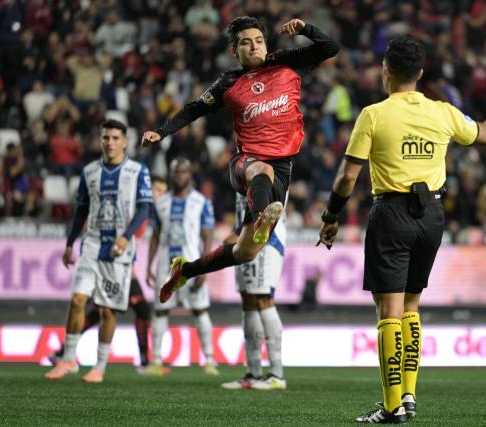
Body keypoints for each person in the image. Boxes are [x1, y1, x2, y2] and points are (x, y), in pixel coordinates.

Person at [317, 37, 486, 423]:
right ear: (421, 74)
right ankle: (408, 397)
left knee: (388, 312)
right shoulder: (442, 112)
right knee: (411, 307)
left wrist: (331, 216)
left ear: (385, 72)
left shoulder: (373, 115)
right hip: (432, 216)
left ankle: (391, 407)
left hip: (391, 213)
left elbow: (347, 177)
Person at [141, 16, 339, 303]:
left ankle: (186, 270)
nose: (255, 47)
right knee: (262, 170)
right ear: (235, 51)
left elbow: (330, 47)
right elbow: (195, 108)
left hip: (282, 168)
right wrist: (162, 132)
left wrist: (306, 29)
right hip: (246, 164)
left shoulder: (285, 63)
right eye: (246, 43)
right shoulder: (229, 82)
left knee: (246, 252)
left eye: (259, 41)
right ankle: (261, 219)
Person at [45, 119, 153, 383]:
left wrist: (127, 238)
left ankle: (100, 367)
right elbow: (81, 209)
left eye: (116, 138)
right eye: (106, 138)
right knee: (77, 299)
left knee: (107, 310)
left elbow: (144, 208)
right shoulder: (90, 171)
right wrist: (70, 243)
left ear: (125, 141)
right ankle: (68, 359)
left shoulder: (138, 171)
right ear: (100, 140)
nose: (110, 143)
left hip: (118, 250)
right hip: (91, 245)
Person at [48, 176, 168, 373]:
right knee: (141, 309)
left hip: (117, 264)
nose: (160, 195)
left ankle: (62, 352)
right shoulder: (136, 209)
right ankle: (145, 362)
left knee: (99, 312)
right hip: (110, 264)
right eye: (157, 189)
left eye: (163, 191)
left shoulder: (147, 213)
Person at [145, 157, 218, 376]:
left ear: (190, 175)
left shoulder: (200, 201)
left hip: (192, 264)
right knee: (160, 310)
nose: (179, 176)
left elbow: (207, 235)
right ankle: (156, 361)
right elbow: (155, 235)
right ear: (171, 174)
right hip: (165, 265)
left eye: (183, 172)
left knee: (199, 309)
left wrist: (206, 266)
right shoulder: (161, 203)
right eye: (176, 172)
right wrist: (149, 264)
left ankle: (210, 360)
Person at [221, 193, 286, 390]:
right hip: (245, 237)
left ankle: (277, 374)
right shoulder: (242, 167)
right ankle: (254, 372)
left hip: (266, 237)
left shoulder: (267, 164)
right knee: (248, 299)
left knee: (262, 297)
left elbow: (268, 204)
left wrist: (240, 232)